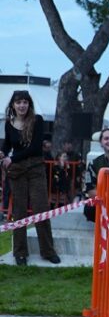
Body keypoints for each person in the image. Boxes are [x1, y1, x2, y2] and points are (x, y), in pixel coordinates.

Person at [1, 90, 60, 265]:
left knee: (41, 208)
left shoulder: (37, 120)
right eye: (18, 102)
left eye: (25, 102)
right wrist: (2, 153)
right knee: (19, 211)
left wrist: (12, 158)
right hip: (17, 171)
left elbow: (35, 148)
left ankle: (48, 251)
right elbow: (8, 144)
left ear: (29, 104)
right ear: (13, 105)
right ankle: (20, 253)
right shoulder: (9, 123)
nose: (22, 105)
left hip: (35, 168)